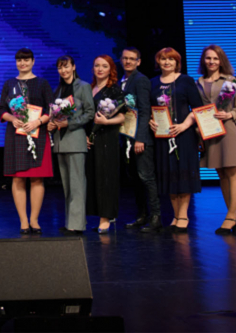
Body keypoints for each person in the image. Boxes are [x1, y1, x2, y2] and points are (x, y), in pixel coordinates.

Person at [197, 44, 236, 235]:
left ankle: (231, 216)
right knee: (221, 173)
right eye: (208, 58)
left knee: (231, 171)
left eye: (215, 58)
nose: (211, 61)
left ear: (221, 61)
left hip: (228, 131)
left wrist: (230, 115)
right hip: (209, 132)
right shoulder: (198, 83)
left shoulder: (230, 82)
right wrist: (198, 134)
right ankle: (233, 215)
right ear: (203, 60)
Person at [0, 48, 53, 234]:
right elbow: (1, 109)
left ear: (33, 61)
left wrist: (37, 122)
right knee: (18, 178)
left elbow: (51, 109)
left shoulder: (42, 83)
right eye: (19, 60)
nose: (22, 63)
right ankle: (23, 221)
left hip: (38, 134)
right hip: (16, 135)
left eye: (26, 60)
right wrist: (12, 118)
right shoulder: (9, 83)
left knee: (37, 178)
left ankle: (34, 220)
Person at [148, 48, 204, 232]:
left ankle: (183, 216)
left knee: (183, 175)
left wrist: (184, 126)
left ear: (177, 62)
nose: (167, 62)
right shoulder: (153, 83)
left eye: (171, 59)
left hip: (184, 136)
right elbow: (149, 108)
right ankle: (175, 215)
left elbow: (197, 108)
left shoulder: (186, 80)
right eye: (163, 59)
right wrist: (151, 121)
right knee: (169, 175)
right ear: (158, 61)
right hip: (163, 137)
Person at [47, 56, 94, 236]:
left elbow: (90, 113)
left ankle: (77, 224)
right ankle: (71, 222)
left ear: (73, 67)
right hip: (60, 142)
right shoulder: (58, 90)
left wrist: (70, 123)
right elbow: (55, 114)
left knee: (77, 184)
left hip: (75, 140)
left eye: (66, 67)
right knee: (67, 186)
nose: (63, 71)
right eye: (60, 68)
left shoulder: (83, 86)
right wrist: (52, 123)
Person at [118, 48, 161, 233]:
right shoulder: (123, 81)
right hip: (127, 137)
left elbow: (144, 110)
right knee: (135, 178)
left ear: (138, 61)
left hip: (140, 139)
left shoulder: (141, 79)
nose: (128, 61)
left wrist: (140, 138)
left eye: (132, 59)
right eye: (125, 58)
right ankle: (142, 215)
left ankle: (156, 217)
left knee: (146, 177)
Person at [85, 55, 125, 233]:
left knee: (106, 177)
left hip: (107, 138)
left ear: (111, 70)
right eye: (97, 65)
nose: (100, 69)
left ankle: (106, 218)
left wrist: (106, 122)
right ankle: (97, 214)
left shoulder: (114, 90)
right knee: (93, 176)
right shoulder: (89, 89)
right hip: (90, 139)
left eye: (104, 66)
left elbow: (123, 116)